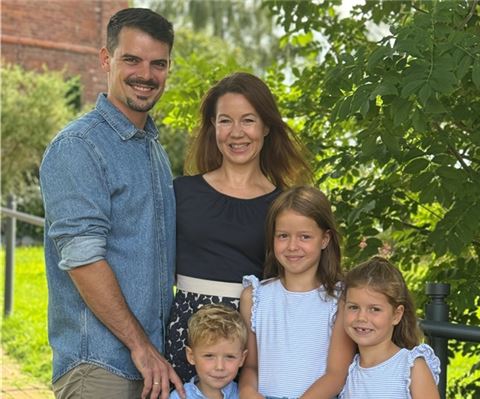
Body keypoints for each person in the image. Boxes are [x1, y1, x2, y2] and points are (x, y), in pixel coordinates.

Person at [39, 8, 184, 399]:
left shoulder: (152, 149)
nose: (146, 74)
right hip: (100, 368)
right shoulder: (79, 147)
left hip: (151, 366)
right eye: (132, 59)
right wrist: (140, 346)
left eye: (158, 64)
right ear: (106, 59)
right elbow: (84, 259)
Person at [165, 72, 312, 383]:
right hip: (188, 334)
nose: (236, 133)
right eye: (224, 121)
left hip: (256, 337)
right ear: (212, 127)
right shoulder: (181, 192)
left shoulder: (284, 204)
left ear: (266, 126)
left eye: (248, 120)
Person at [239, 185, 355, 399]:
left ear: (325, 239)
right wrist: (246, 392)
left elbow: (336, 374)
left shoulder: (340, 299)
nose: (292, 246)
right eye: (283, 236)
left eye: (304, 237)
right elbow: (251, 366)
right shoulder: (255, 297)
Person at [339, 256, 441, 399]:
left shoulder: (411, 368)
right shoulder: (348, 371)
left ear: (396, 315)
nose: (361, 317)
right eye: (353, 307)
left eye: (374, 309)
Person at [169, 304, 247, 399]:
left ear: (242, 358)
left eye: (230, 357)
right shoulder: (179, 397)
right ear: (191, 356)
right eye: (209, 356)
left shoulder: (246, 395)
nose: (220, 367)